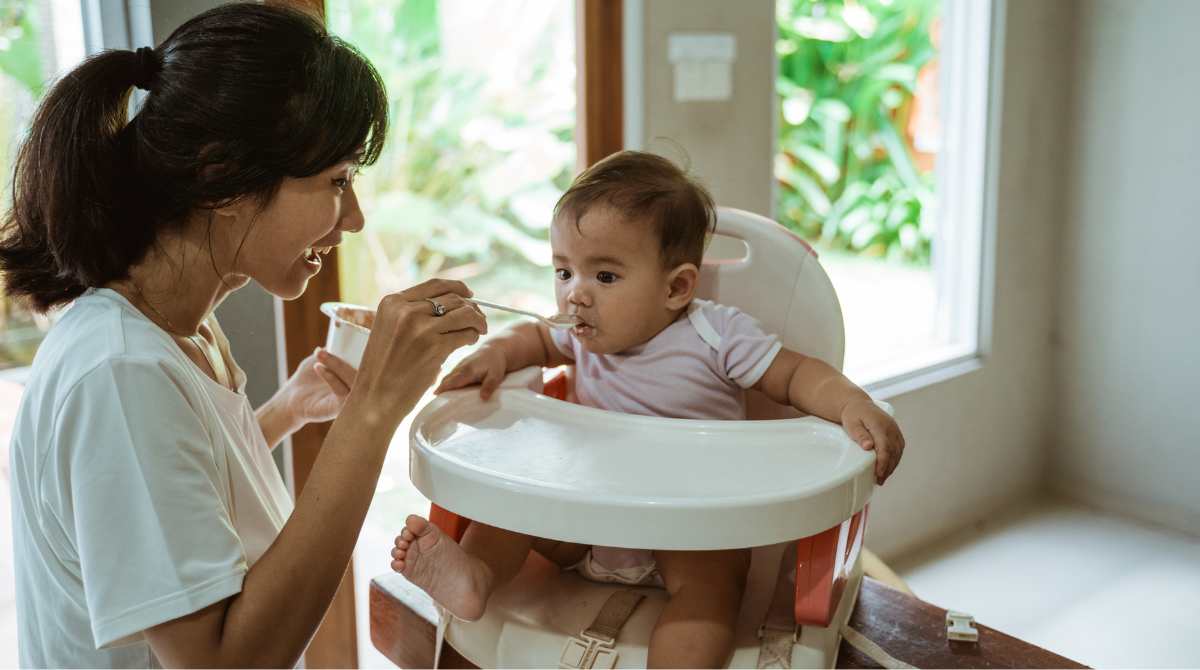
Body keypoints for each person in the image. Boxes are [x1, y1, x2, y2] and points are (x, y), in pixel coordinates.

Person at [0, 4, 486, 667]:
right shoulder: (122, 374)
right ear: (219, 178)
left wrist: (284, 412)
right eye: (336, 182)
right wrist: (371, 413)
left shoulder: (182, 328)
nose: (356, 218)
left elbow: (173, 501)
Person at [389, 150, 906, 668]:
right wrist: (494, 355)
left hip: (692, 533)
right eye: (564, 272)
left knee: (711, 592)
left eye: (605, 277)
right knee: (508, 515)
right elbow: (530, 338)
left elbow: (795, 375)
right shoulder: (579, 338)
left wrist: (851, 403)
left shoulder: (716, 336)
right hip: (584, 523)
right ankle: (475, 576)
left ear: (677, 287)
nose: (575, 297)